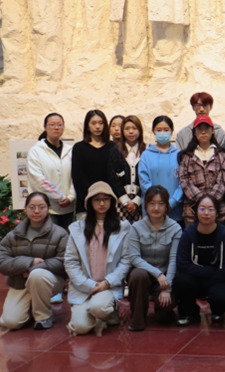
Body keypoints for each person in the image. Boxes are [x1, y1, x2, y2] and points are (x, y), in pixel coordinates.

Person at [64, 182, 131, 335]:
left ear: (112, 201)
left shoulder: (122, 228)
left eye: (106, 199)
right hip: (84, 287)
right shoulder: (77, 229)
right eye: (97, 199)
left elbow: (125, 260)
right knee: (81, 328)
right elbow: (71, 261)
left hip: (107, 285)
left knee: (98, 308)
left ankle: (106, 309)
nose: (102, 203)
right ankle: (96, 316)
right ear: (90, 202)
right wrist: (88, 285)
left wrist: (107, 282)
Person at [0, 192, 68, 330]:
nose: (36, 211)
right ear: (26, 208)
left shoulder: (60, 233)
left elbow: (63, 261)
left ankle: (43, 316)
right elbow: (2, 262)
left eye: (41, 207)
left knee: (37, 275)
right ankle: (31, 308)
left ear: (48, 208)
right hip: (20, 282)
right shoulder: (13, 235)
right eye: (32, 207)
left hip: (49, 281)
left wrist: (33, 269)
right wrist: (29, 262)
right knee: (10, 322)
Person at [126, 185, 182, 331]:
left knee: (164, 316)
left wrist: (167, 288)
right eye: (152, 203)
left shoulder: (175, 228)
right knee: (137, 275)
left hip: (166, 276)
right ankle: (137, 321)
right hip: (144, 275)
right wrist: (157, 274)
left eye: (161, 203)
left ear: (167, 206)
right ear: (146, 205)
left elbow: (174, 259)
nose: (156, 208)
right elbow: (134, 258)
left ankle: (164, 311)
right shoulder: (136, 227)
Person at [173, 195, 225, 325]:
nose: (206, 213)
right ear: (196, 212)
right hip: (195, 279)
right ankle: (189, 313)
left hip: (218, 279)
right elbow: (182, 265)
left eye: (210, 209)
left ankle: (217, 312)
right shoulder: (188, 233)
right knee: (181, 281)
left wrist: (209, 278)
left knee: (222, 296)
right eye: (202, 209)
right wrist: (209, 271)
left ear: (217, 213)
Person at [178, 115, 225, 226]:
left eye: (206, 128)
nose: (203, 132)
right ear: (194, 132)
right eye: (199, 128)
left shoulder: (221, 155)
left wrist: (211, 202)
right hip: (192, 212)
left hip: (218, 212)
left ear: (213, 130)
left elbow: (223, 181)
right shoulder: (187, 156)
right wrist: (201, 201)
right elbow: (185, 181)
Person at [71, 110, 126, 215]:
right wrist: (92, 197)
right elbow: (78, 176)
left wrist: (106, 197)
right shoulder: (79, 148)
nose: (97, 126)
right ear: (87, 126)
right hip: (86, 203)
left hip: (109, 202)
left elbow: (116, 176)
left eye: (101, 123)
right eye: (93, 123)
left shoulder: (113, 147)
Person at [27, 113, 75, 229]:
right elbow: (38, 180)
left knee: (66, 238)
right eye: (52, 124)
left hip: (69, 207)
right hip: (47, 208)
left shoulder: (71, 150)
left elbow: (76, 176)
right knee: (49, 238)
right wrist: (60, 197)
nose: (56, 127)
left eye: (60, 125)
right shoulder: (36, 151)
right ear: (45, 127)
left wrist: (71, 197)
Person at [139, 116, 184, 224]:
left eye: (166, 130)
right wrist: (157, 204)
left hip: (175, 211)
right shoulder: (146, 155)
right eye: (159, 130)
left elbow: (183, 182)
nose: (162, 133)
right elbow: (144, 181)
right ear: (153, 131)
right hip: (152, 211)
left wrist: (171, 203)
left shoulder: (179, 155)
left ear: (172, 131)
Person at [117, 115, 147, 222]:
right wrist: (126, 201)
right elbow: (113, 178)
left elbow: (147, 178)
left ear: (140, 131)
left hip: (142, 200)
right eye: (127, 128)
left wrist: (136, 201)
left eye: (134, 128)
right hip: (120, 202)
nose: (131, 132)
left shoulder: (146, 151)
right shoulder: (115, 151)